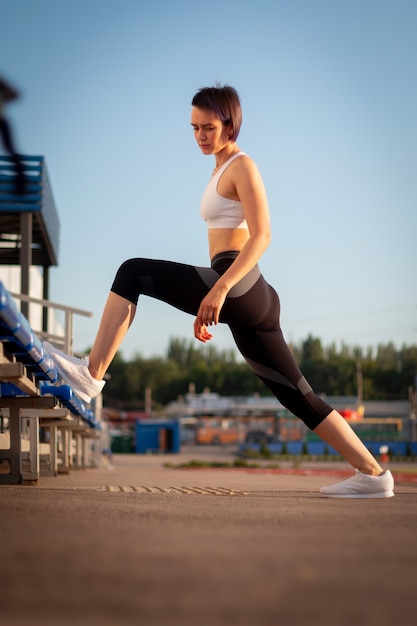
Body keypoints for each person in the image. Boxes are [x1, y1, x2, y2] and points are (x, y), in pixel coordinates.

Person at [44, 84, 394, 498]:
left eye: (208, 127)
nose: (200, 136)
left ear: (230, 123)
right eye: (193, 128)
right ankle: (374, 474)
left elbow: (261, 236)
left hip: (239, 282)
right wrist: (211, 296)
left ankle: (92, 374)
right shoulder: (217, 169)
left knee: (132, 272)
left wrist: (219, 291)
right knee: (299, 396)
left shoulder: (243, 166)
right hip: (245, 294)